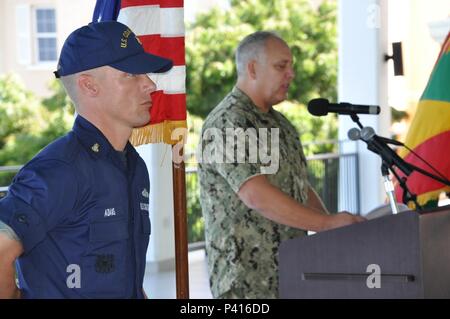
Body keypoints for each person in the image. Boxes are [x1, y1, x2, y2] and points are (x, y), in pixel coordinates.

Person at [0, 21, 172, 299]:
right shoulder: (60, 169)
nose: (150, 85)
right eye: (131, 74)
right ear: (89, 86)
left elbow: (124, 273)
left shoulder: (134, 166)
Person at [198, 31, 365, 299]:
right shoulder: (228, 122)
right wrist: (326, 223)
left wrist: (331, 233)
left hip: (291, 273)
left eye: (291, 66)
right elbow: (255, 194)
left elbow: (300, 187)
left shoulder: (281, 124)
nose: (291, 74)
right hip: (246, 283)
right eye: (281, 66)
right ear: (252, 69)